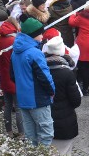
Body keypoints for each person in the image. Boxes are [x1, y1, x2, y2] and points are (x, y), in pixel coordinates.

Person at [10, 18, 56, 147]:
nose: (43, 36)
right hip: (38, 99)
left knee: (31, 136)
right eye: (41, 33)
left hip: (23, 99)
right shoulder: (35, 53)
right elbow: (45, 77)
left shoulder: (15, 51)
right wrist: (51, 92)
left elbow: (12, 75)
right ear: (33, 35)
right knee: (46, 134)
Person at [45, 35, 82, 155]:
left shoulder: (41, 68)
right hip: (65, 121)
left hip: (45, 118)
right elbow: (76, 100)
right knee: (64, 155)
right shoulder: (67, 72)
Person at [0, 17, 24, 137]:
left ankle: (9, 132)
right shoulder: (14, 41)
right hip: (14, 77)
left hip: (4, 77)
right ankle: (22, 133)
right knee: (19, 108)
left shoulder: (0, 40)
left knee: (7, 106)